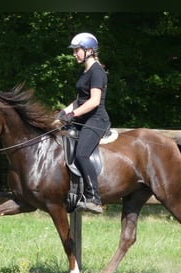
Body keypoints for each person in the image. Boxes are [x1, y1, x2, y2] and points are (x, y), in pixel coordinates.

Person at [56, 32, 111, 214]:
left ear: (89, 50)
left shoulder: (97, 72)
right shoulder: (84, 71)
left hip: (96, 121)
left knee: (81, 154)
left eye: (76, 50)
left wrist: (72, 115)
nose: (74, 54)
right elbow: (80, 100)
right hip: (83, 118)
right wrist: (63, 113)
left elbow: (94, 101)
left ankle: (94, 198)